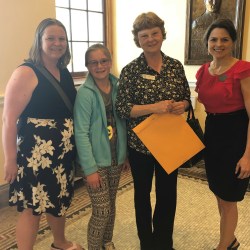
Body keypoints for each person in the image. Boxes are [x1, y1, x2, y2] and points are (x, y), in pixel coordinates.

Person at [2, 18, 83, 250]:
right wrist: (10, 159)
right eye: (51, 38)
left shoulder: (63, 71)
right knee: (33, 208)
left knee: (58, 201)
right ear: (39, 41)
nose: (57, 43)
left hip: (61, 153)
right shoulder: (26, 72)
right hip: (35, 155)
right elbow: (8, 120)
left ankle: (60, 242)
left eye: (62, 38)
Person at [115, 12, 191, 250]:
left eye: (154, 33)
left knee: (168, 195)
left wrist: (184, 105)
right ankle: (146, 243)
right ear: (138, 39)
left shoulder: (175, 66)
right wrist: (154, 108)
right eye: (144, 35)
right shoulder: (130, 70)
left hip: (170, 142)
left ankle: (164, 242)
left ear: (162, 34)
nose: (150, 39)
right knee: (142, 195)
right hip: (141, 145)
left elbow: (187, 98)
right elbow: (123, 108)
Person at [195, 18, 250, 250]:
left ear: (233, 42)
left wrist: (248, 155)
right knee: (219, 192)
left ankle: (223, 246)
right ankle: (231, 240)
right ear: (207, 43)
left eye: (224, 39)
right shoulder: (203, 71)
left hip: (236, 136)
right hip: (213, 136)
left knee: (229, 199)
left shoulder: (243, 69)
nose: (219, 44)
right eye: (214, 39)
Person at [74, 44, 130, 250]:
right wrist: (89, 169)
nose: (99, 66)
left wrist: (125, 155)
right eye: (94, 62)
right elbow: (80, 132)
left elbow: (124, 123)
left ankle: (107, 242)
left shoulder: (118, 86)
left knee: (111, 206)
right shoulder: (85, 94)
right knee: (102, 210)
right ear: (87, 66)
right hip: (95, 164)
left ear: (110, 61)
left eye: (103, 61)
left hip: (116, 159)